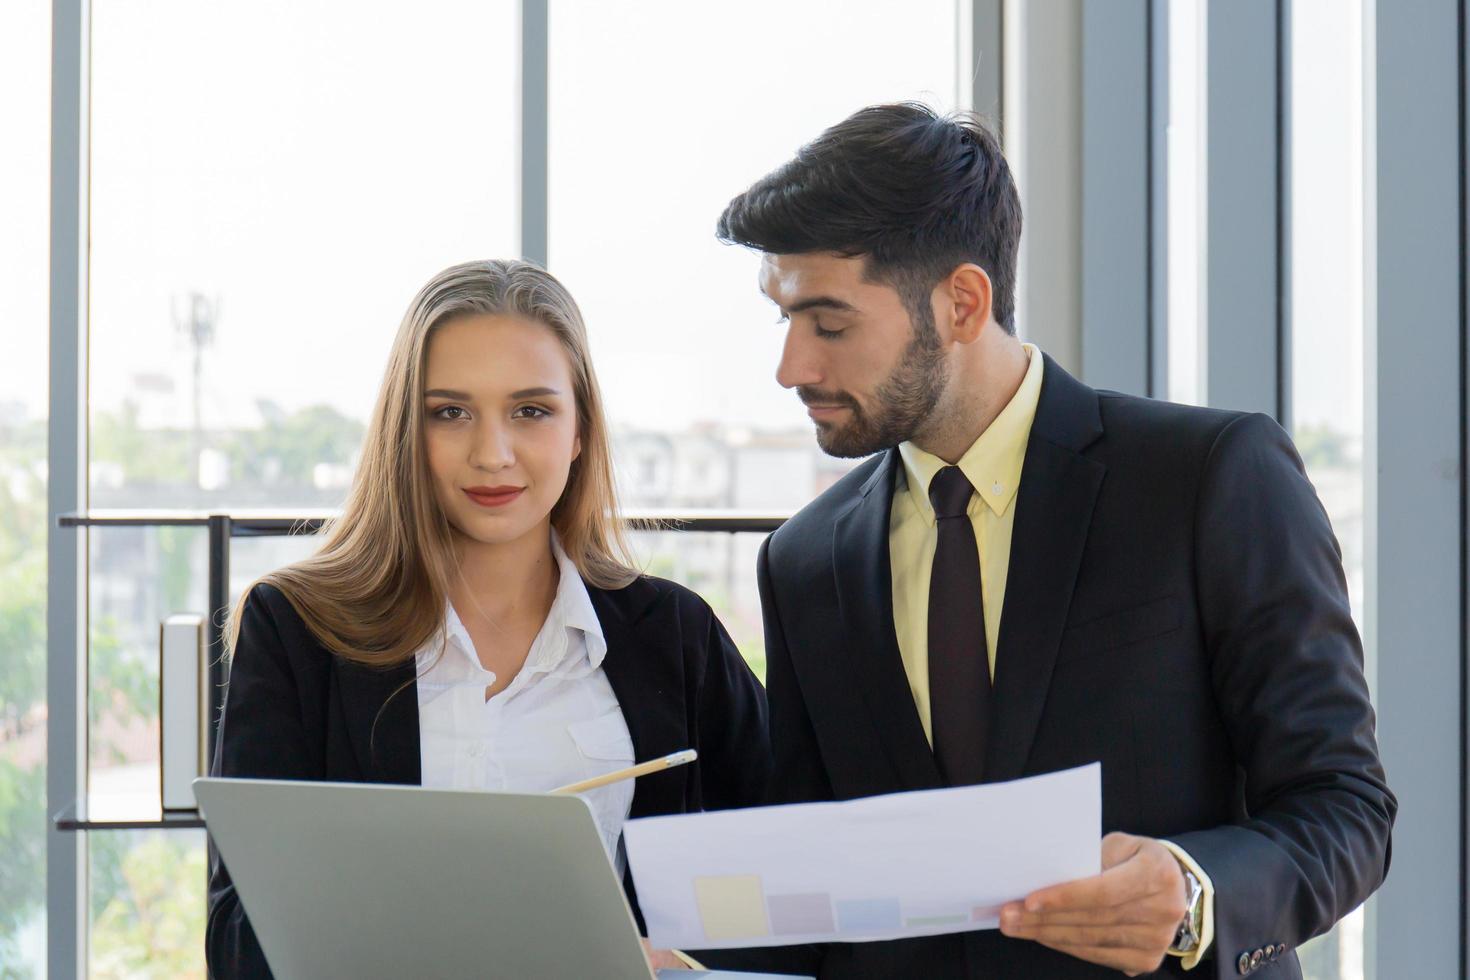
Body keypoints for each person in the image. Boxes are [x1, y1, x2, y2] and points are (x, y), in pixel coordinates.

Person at [700, 104, 1394, 978]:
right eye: (786, 322)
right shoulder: (804, 560)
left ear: (962, 301)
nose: (792, 368)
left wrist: (1192, 891)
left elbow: (1345, 807)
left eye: (830, 325)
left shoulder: (1207, 476)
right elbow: (821, 877)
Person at [205, 260, 769, 978]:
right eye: (450, 412)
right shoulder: (296, 629)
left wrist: (682, 962)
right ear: (406, 432)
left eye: (531, 411)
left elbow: (782, 884)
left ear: (579, 432)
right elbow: (237, 938)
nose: (492, 454)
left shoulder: (674, 634)